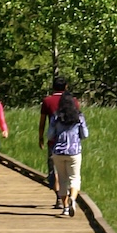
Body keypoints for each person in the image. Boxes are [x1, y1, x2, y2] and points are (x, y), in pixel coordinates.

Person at [47, 92, 88, 218]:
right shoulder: (79, 117)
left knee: (62, 179)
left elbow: (49, 135)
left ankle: (65, 207)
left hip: (58, 151)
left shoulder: (56, 117)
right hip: (74, 151)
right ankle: (73, 199)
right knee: (74, 177)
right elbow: (85, 134)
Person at [38, 74, 70, 202]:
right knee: (67, 169)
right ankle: (66, 196)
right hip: (69, 140)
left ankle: (58, 195)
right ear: (66, 87)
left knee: (54, 168)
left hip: (53, 140)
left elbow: (42, 121)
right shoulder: (72, 101)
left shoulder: (47, 101)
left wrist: (40, 137)